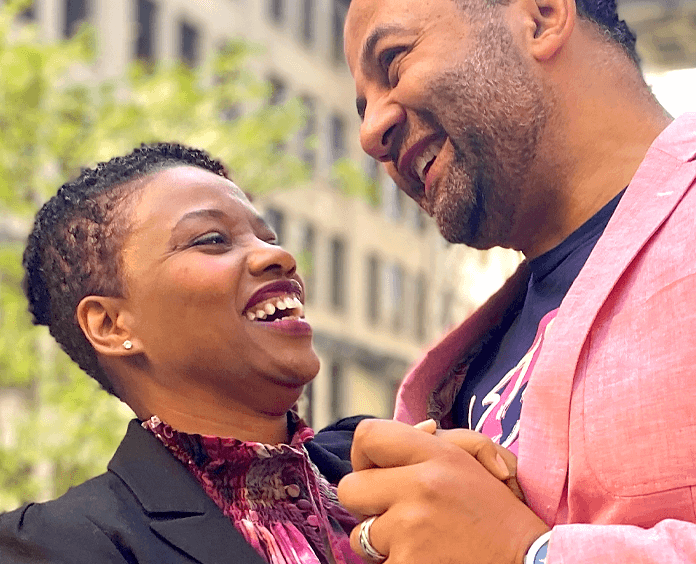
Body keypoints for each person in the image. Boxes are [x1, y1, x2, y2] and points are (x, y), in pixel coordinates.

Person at [339, 0, 696, 563]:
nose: (370, 133)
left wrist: (527, 553)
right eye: (362, 106)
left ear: (543, 16)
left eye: (394, 61)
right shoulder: (469, 363)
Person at [0, 142, 368, 564]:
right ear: (110, 324)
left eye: (268, 237)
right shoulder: (55, 545)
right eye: (212, 240)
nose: (279, 256)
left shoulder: (390, 460)